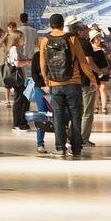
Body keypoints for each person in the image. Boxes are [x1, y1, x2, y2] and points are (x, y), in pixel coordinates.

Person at [37, 13, 96, 160]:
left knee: (57, 116)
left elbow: (42, 64)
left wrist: (47, 81)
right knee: (76, 115)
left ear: (50, 25)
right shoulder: (72, 39)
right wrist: (92, 78)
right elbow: (82, 61)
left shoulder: (45, 40)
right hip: (73, 82)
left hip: (55, 83)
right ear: (63, 25)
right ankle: (76, 149)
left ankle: (60, 148)